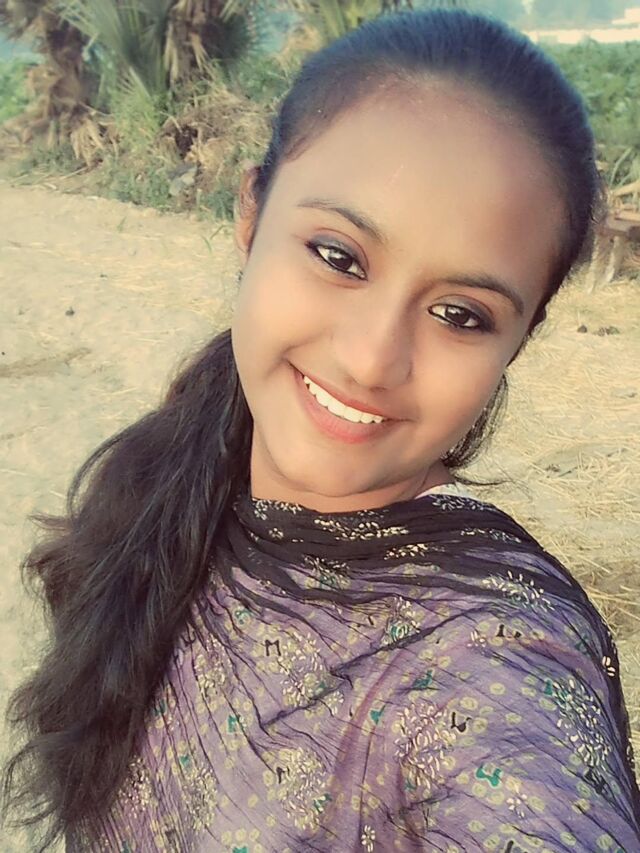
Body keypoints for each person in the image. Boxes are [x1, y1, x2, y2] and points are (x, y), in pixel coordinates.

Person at [4, 8, 640, 852]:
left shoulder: (495, 654)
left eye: (460, 313)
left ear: (517, 341)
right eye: (339, 257)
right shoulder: (174, 473)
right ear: (251, 212)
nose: (372, 360)